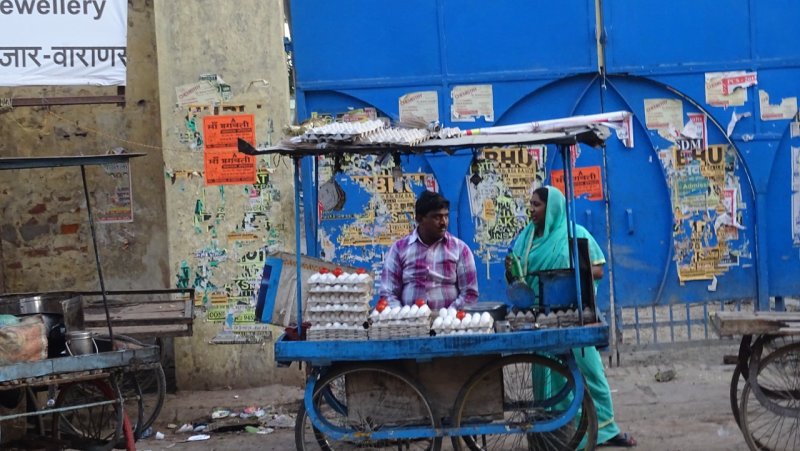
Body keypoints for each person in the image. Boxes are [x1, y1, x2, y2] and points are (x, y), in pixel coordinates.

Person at [506, 185, 637, 448]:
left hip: (571, 313)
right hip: (538, 317)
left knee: (589, 371)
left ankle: (606, 430)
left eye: (537, 205)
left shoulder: (575, 233)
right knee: (547, 375)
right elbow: (517, 273)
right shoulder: (525, 238)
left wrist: (565, 275)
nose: (531, 209)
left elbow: (598, 268)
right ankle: (556, 431)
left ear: (551, 207)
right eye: (530, 204)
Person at [380, 190, 479, 310]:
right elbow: (387, 292)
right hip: (410, 324)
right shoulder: (399, 249)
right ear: (419, 219)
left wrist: (446, 316)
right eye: (437, 217)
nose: (443, 222)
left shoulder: (460, 249)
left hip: (450, 324)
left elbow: (470, 294)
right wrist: (403, 316)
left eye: (446, 216)